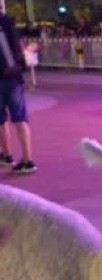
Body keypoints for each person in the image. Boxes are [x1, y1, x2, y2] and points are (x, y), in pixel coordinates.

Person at [0, 11, 37, 173]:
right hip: (14, 77)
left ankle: (7, 154)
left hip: (3, 76)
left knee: (1, 120)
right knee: (20, 118)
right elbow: (20, 50)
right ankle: (26, 159)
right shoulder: (9, 25)